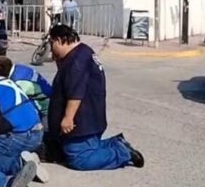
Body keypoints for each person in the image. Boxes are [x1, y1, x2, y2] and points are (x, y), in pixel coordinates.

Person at [47, 24, 144, 171]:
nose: (50, 48)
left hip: (81, 123)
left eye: (51, 43)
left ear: (60, 40)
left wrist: (68, 118)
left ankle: (121, 153)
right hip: (90, 121)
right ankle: (117, 143)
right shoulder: (83, 52)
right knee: (85, 147)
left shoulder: (76, 62)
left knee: (78, 158)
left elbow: (75, 92)